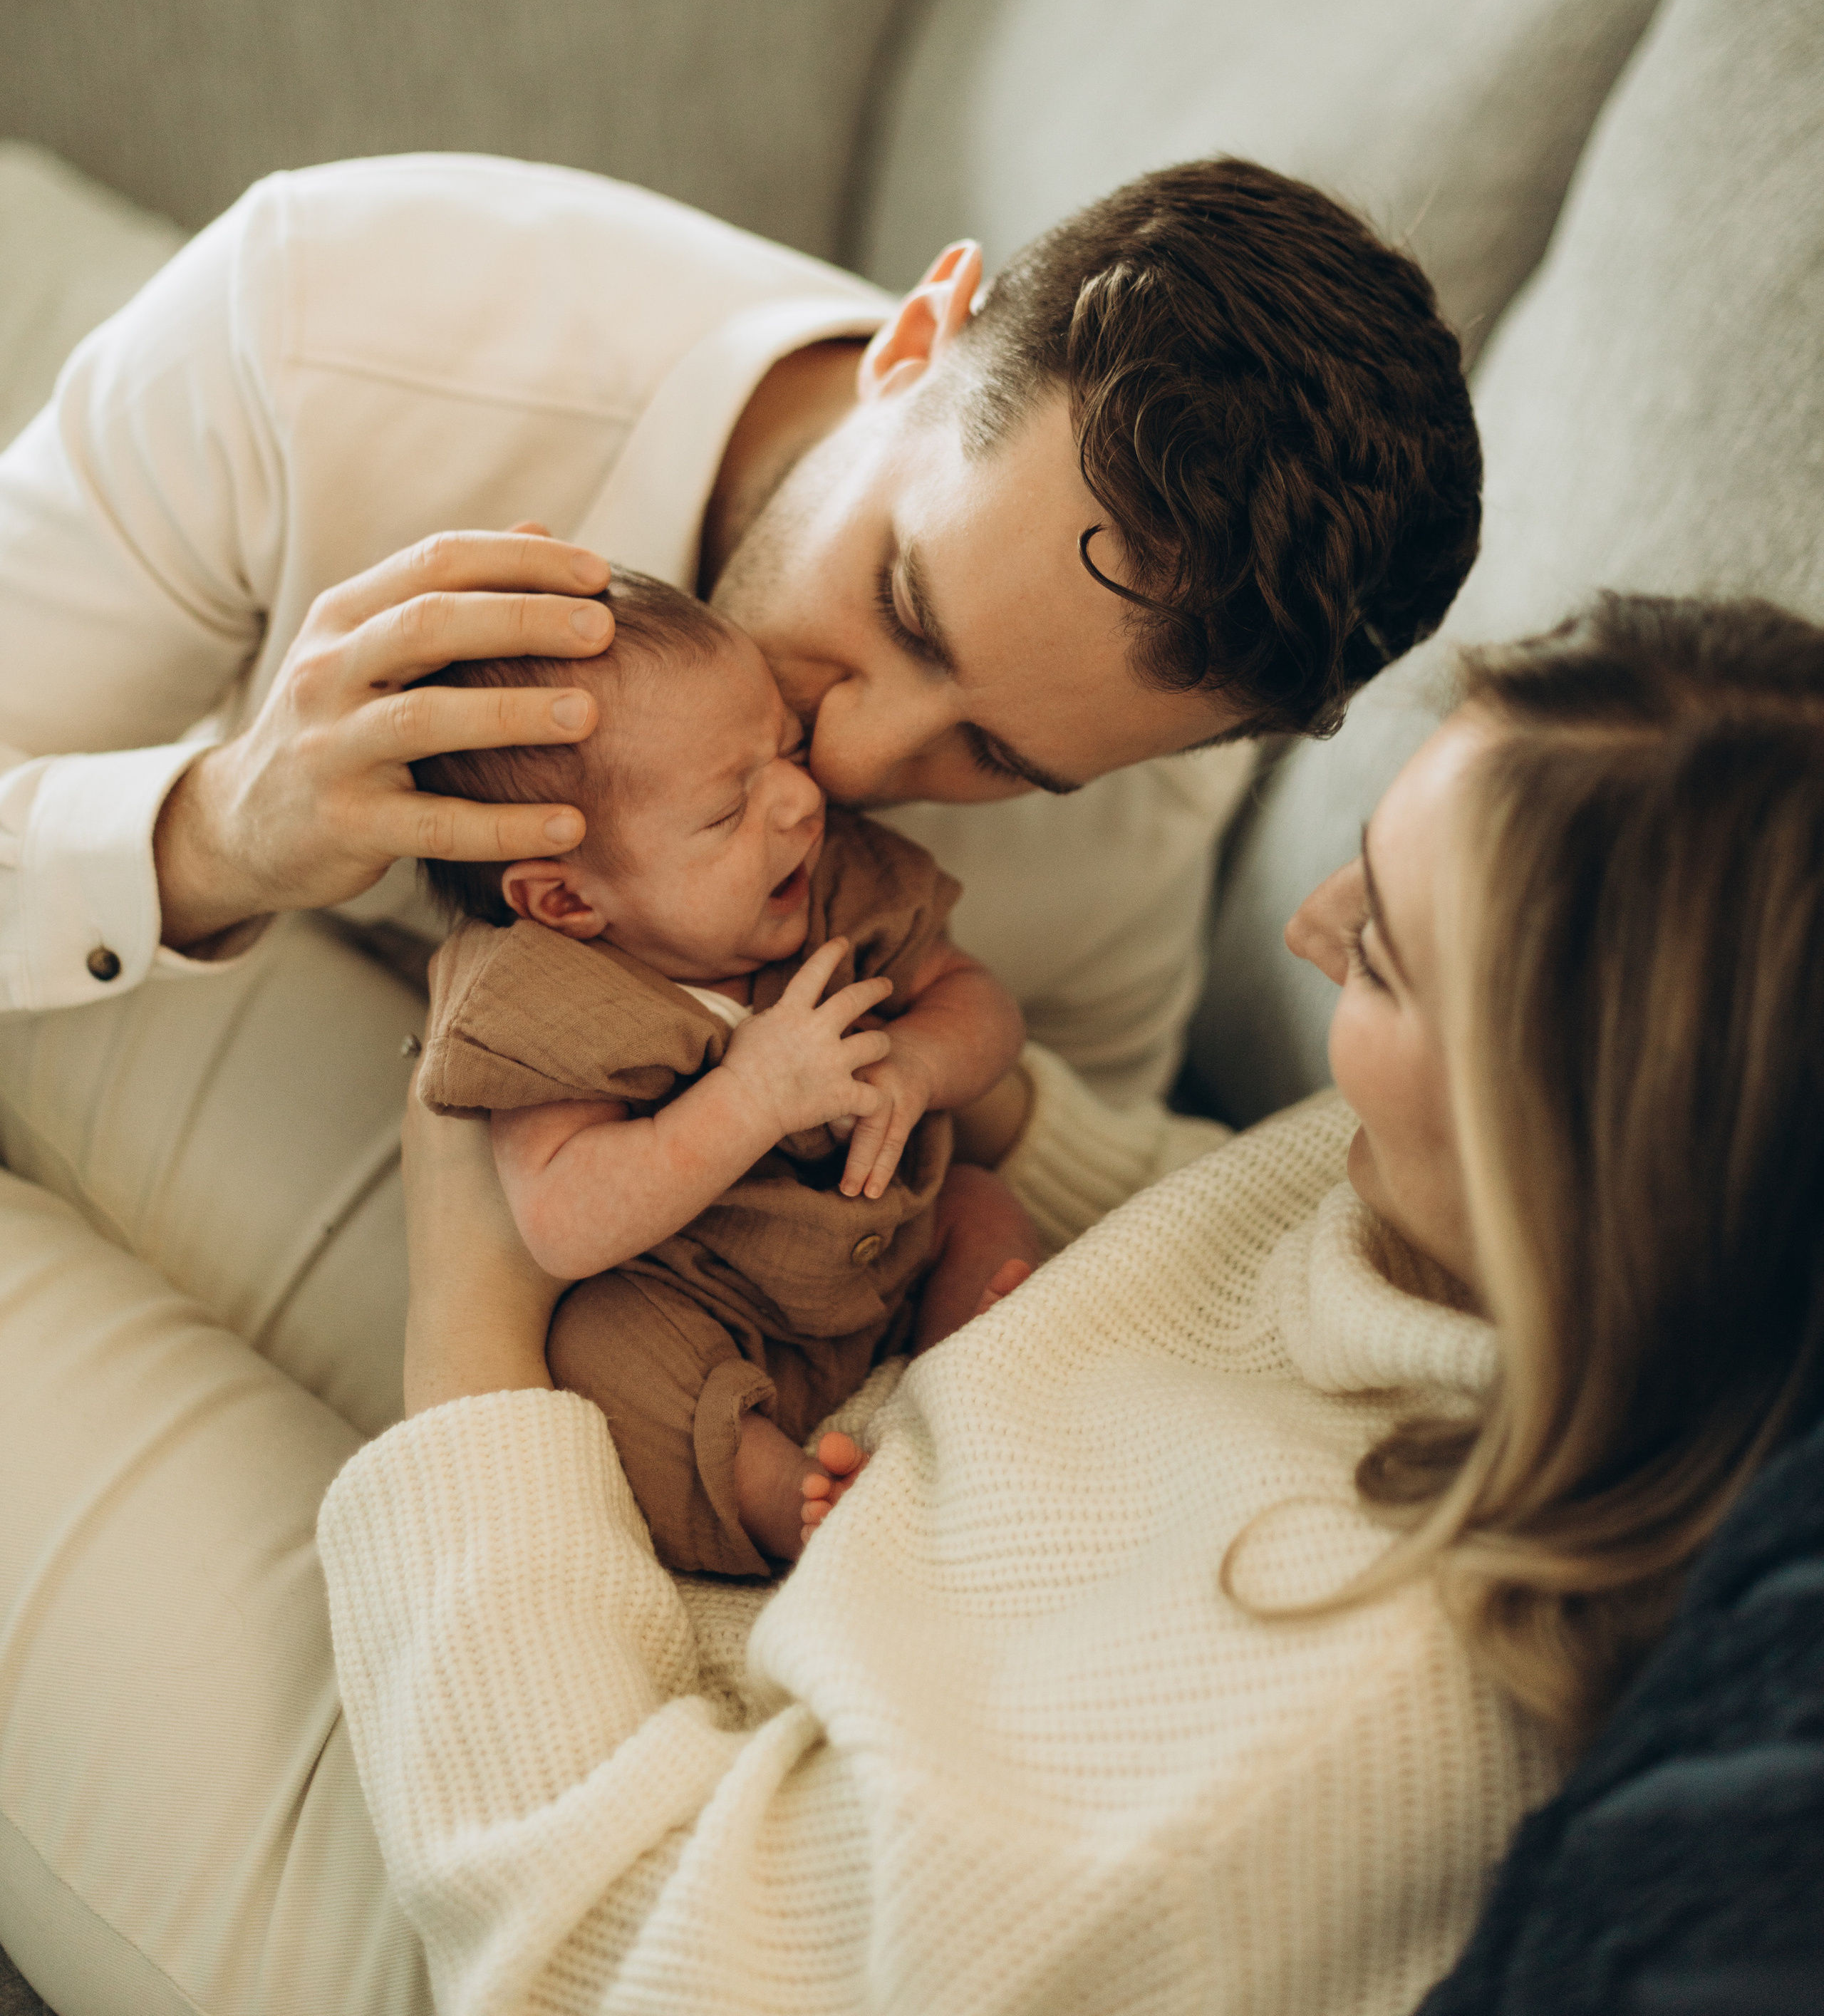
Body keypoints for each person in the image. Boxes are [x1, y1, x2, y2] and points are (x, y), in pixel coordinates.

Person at [0, 148, 1480, 2010]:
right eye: (909, 612)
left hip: (620, 1332)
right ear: (916, 338)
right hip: (182, 908)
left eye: (997, 760)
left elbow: (958, 1252)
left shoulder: (1130, 801)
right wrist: (220, 828)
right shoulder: (348, 341)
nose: (847, 758)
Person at [316, 594, 1824, 2016]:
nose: (1311, 923)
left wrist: (468, 1330)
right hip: (760, 1426)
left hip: (554, 1826)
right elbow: (1233, 1234)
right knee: (229, 998)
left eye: (1374, 955)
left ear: (1560, 1146)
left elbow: (622, 1961)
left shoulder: (1296, 1742)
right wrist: (937, 1104)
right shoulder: (1462, 1224)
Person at [410, 568, 1035, 1573]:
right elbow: (562, 1221)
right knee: (606, 1351)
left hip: (891, 1242)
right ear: (566, 904)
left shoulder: (839, 890)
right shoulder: (549, 1002)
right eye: (726, 808)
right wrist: (749, 1098)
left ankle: (982, 1376)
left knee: (978, 1202)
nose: (797, 799)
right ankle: (786, 1501)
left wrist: (920, 1060)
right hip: (713, 1317)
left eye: (784, 748)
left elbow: (980, 1001)